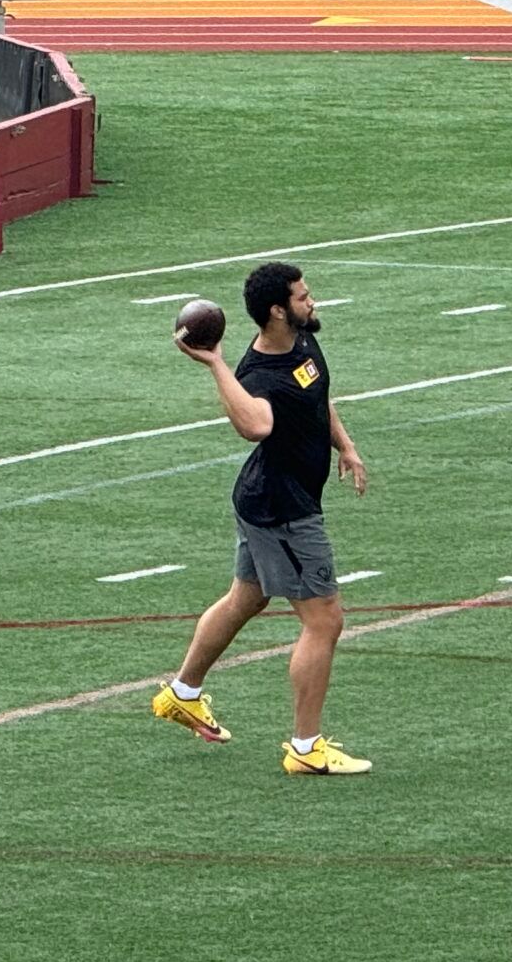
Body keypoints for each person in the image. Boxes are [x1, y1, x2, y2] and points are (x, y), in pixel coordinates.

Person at [152, 261, 373, 774]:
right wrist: (215, 364)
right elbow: (256, 426)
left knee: (245, 597)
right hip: (283, 511)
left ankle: (183, 692)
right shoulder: (258, 375)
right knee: (324, 621)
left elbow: (318, 397)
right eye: (302, 297)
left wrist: (346, 445)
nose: (311, 302)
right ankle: (306, 749)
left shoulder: (301, 341)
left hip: (265, 500)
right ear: (277, 310)